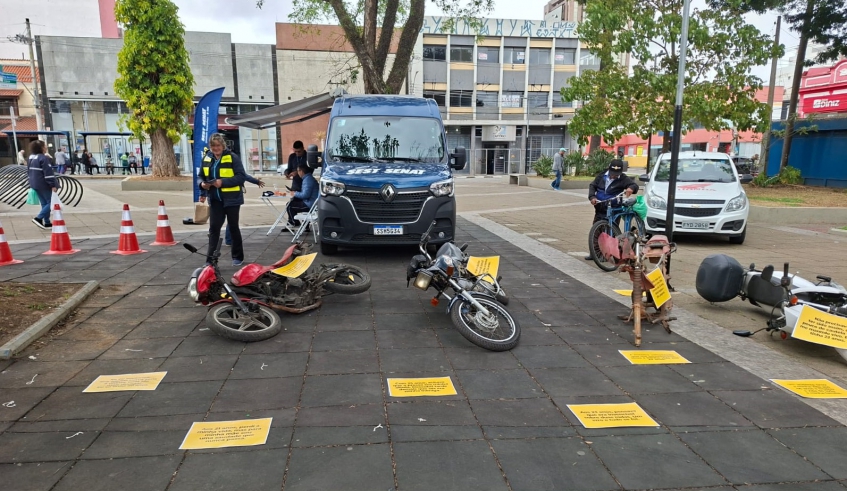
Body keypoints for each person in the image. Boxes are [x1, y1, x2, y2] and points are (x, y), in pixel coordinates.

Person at [199, 133, 246, 266]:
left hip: (232, 199)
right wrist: (202, 186)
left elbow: (241, 177)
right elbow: (201, 176)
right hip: (215, 199)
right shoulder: (207, 158)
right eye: (213, 146)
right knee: (214, 228)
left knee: (233, 227)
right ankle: (210, 260)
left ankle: (237, 256)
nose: (216, 148)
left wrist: (222, 182)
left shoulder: (232, 157)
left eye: (218, 145)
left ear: (223, 145)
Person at [585, 159, 639, 260]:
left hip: (614, 208)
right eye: (612, 173)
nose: (614, 176)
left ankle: (610, 254)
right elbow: (592, 186)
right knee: (596, 230)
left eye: (616, 174)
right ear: (609, 169)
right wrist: (592, 197)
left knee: (611, 231)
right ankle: (595, 253)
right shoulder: (602, 175)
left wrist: (631, 188)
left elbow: (634, 185)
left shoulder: (623, 178)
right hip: (600, 207)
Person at [224, 173, 265, 246]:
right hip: (234, 197)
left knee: (218, 220)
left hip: (219, 196)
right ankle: (229, 240)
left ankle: (214, 237)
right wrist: (257, 181)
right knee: (232, 220)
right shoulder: (235, 167)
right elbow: (244, 175)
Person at [26, 140, 59, 230]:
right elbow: (48, 173)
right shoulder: (43, 158)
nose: (46, 147)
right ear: (41, 148)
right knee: (51, 202)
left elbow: (28, 171)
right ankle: (38, 218)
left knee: (44, 203)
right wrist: (52, 185)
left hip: (34, 183)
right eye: (45, 146)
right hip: (44, 184)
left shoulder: (31, 157)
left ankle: (47, 222)